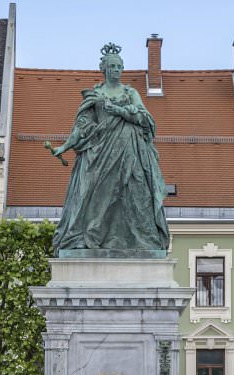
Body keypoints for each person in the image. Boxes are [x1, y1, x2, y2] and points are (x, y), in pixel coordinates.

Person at [50, 42, 169, 253]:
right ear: (104, 69)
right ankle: (88, 237)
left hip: (129, 149)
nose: (116, 70)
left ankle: (142, 239)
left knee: (134, 194)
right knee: (91, 194)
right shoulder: (94, 95)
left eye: (119, 67)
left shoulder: (130, 93)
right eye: (112, 66)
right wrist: (65, 146)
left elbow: (145, 119)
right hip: (99, 152)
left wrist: (117, 109)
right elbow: (83, 127)